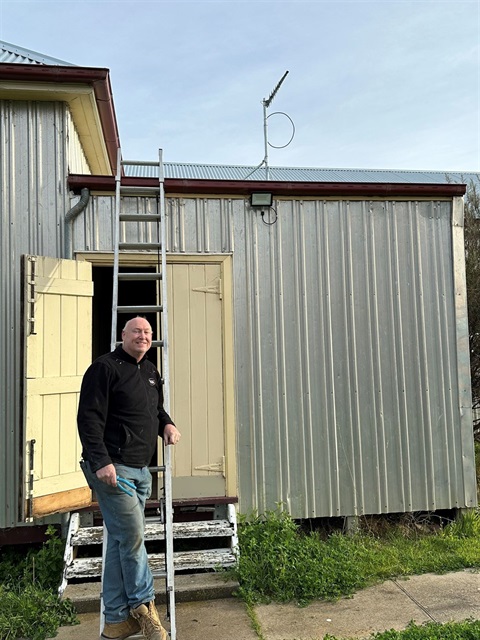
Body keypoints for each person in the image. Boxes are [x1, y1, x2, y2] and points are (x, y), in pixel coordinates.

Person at [77, 316, 181, 640]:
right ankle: (144, 609)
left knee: (122, 541)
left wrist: (168, 424)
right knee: (134, 535)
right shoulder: (104, 368)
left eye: (148, 332)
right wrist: (101, 461)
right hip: (113, 470)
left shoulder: (150, 372)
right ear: (123, 335)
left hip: (141, 470)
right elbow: (88, 418)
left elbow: (156, 409)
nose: (143, 336)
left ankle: (115, 621)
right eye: (136, 330)